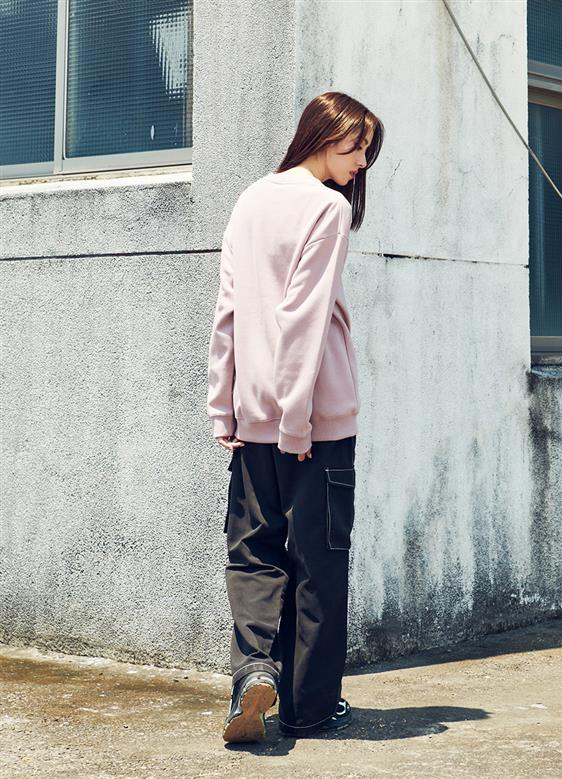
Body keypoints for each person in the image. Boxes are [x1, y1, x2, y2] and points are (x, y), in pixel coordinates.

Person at [206, 91, 384, 742]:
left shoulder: (251, 199)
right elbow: (303, 318)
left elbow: (228, 311)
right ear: (323, 135)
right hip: (314, 426)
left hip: (251, 419)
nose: (361, 162)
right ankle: (310, 708)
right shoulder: (326, 209)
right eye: (356, 147)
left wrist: (223, 406)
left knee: (254, 554)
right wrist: (297, 424)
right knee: (319, 563)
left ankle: (255, 672)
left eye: (367, 151)